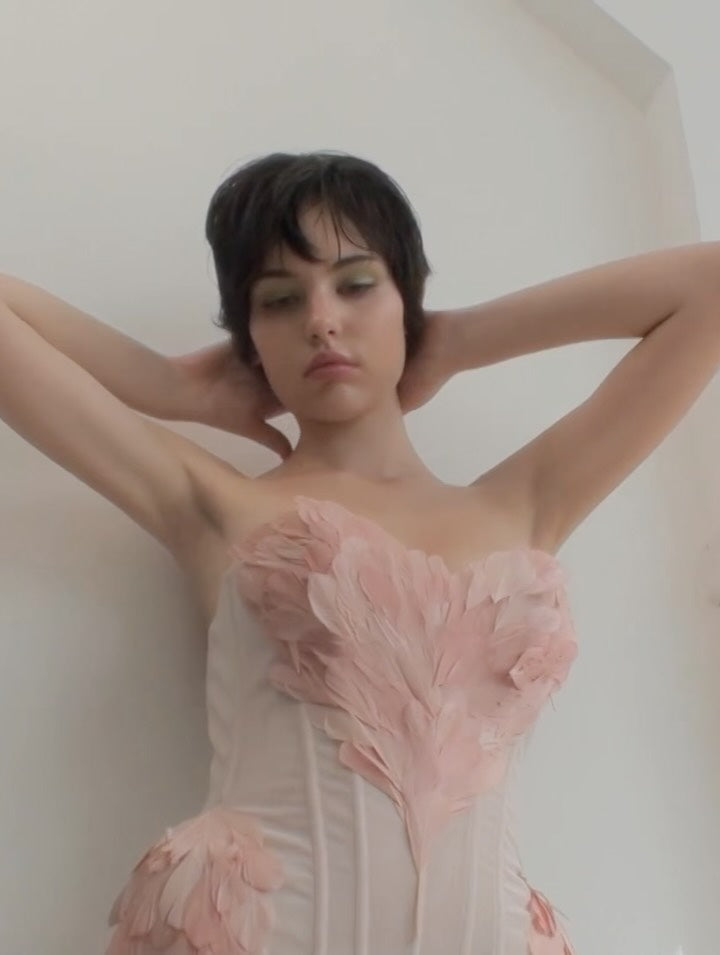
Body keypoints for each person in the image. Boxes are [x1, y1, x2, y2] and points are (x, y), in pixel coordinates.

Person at [3, 151, 720, 954]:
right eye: (279, 300)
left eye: (355, 283)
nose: (320, 319)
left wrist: (455, 340)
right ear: (250, 341)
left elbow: (709, 285)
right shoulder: (218, 507)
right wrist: (170, 387)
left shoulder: (523, 504)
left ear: (404, 301)